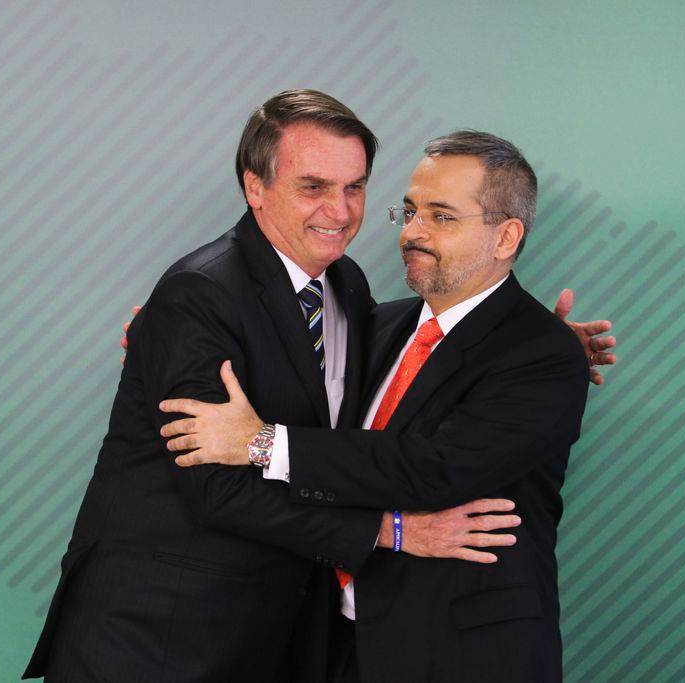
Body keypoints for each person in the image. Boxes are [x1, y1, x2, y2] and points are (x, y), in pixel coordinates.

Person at [23, 91, 613, 682]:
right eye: (313, 187)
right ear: (255, 187)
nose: (344, 211)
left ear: (505, 238)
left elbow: (435, 456)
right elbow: (218, 489)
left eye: (355, 188)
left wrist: (534, 336)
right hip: (162, 634)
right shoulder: (205, 297)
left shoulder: (352, 294)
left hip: (439, 651)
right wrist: (393, 532)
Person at [159, 131, 591, 682]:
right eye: (409, 212)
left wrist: (263, 443)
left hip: (460, 656)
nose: (412, 233)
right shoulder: (378, 324)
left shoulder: (544, 353)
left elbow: (434, 469)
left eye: (441, 217)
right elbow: (279, 358)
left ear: (506, 237)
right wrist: (170, 331)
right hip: (333, 645)